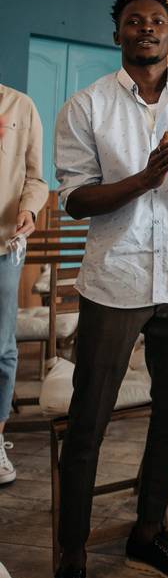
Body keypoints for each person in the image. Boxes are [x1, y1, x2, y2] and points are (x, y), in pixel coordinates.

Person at [40, 0, 168, 578]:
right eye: (134, 22)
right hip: (114, 281)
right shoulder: (86, 106)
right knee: (89, 422)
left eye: (157, 22)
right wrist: (146, 179)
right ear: (117, 33)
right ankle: (71, 563)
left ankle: (149, 533)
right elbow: (76, 201)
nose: (146, 29)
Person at [0, 86, 47, 487]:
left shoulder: (21, 106)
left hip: (3, 246)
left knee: (1, 348)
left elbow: (36, 176)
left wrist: (29, 207)